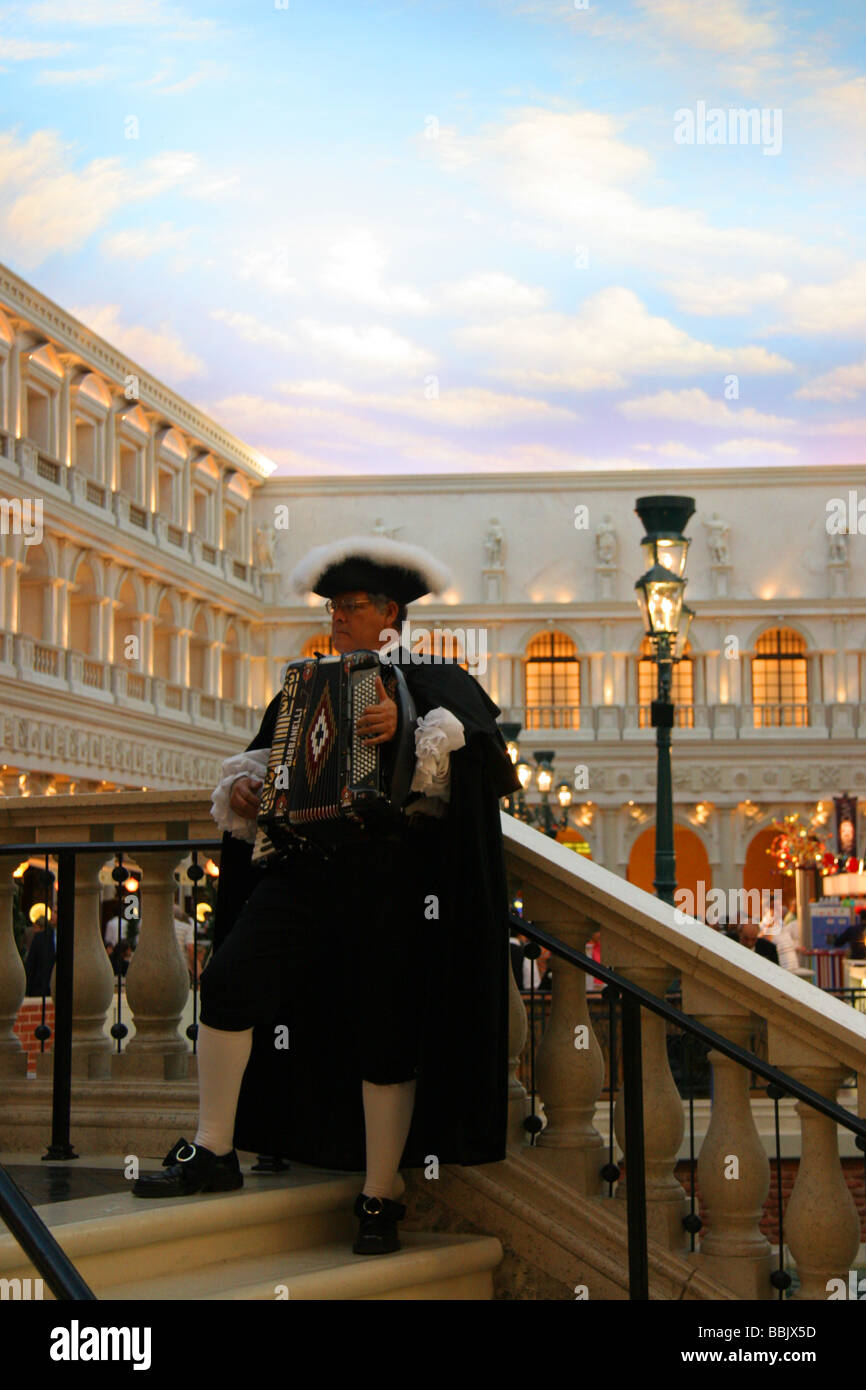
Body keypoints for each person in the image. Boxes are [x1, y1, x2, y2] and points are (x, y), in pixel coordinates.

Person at [132, 535, 520, 1258]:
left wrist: (405, 726)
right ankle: (214, 1150)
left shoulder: (439, 681)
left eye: (351, 606)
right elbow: (273, 765)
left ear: (390, 614)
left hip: (395, 881)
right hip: (304, 871)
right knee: (229, 983)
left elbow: (488, 770)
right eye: (333, 607)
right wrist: (247, 791)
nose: (337, 618)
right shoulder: (304, 683)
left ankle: (381, 1194)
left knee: (386, 1034)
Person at [23, 915, 55, 997]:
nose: (34, 930)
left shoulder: (46, 938)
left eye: (36, 928)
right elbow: (30, 965)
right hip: (39, 989)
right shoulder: (36, 938)